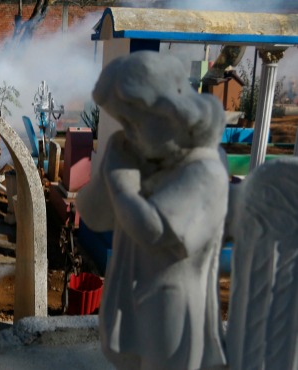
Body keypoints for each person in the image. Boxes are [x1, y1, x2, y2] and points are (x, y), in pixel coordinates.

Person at [77, 51, 227, 370]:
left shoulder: (205, 172)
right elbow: (93, 215)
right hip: (132, 293)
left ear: (172, 112)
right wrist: (107, 170)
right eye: (124, 123)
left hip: (172, 305)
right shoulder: (143, 160)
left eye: (136, 122)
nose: (130, 133)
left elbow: (153, 230)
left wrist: (120, 184)